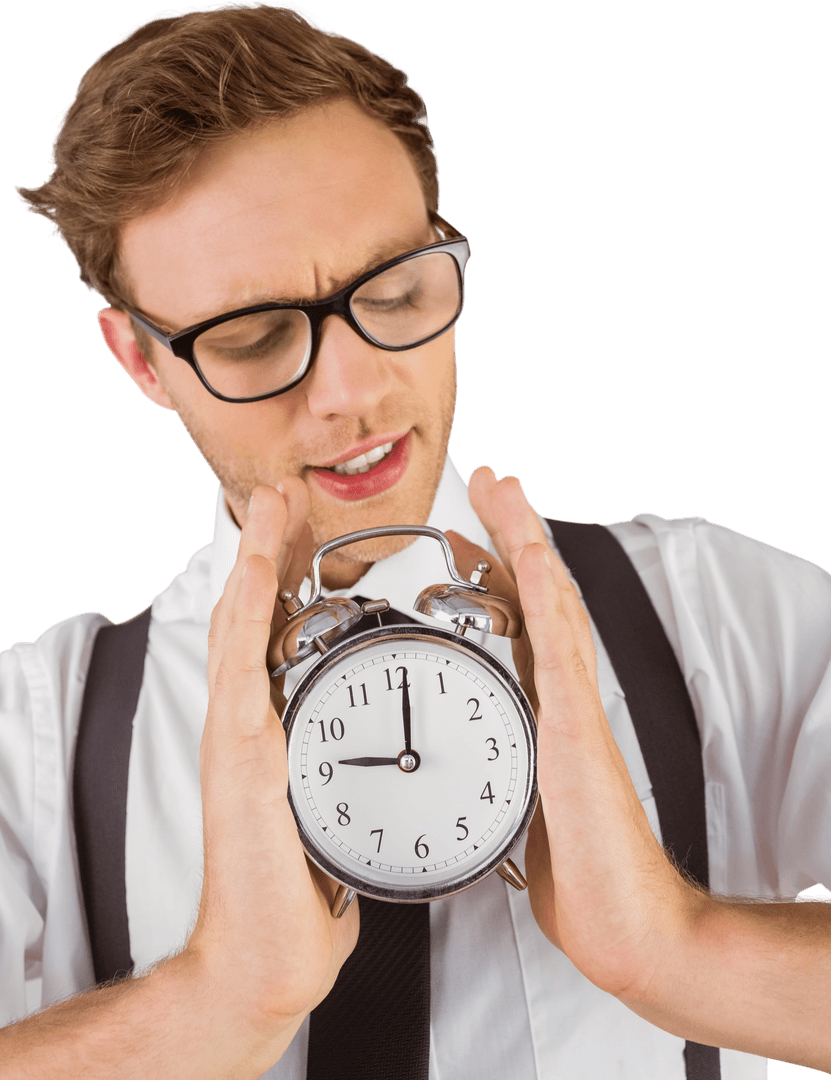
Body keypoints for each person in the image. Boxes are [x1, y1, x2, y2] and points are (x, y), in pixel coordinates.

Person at [2, 4, 830, 1077]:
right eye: (253, 338)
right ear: (142, 362)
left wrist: (679, 951)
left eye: (396, 290)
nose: (354, 392)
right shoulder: (36, 738)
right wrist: (208, 1010)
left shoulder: (713, 617)